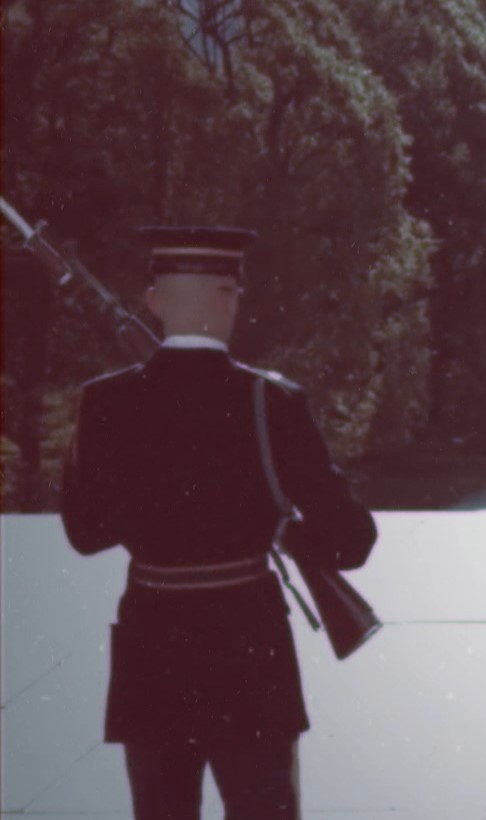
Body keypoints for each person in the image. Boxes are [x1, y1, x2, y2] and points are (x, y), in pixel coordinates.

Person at [59, 226, 378, 819]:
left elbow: (85, 535)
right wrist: (281, 529)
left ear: (154, 302)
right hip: (249, 649)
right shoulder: (272, 400)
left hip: (151, 646)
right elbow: (353, 541)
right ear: (232, 299)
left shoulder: (105, 401)